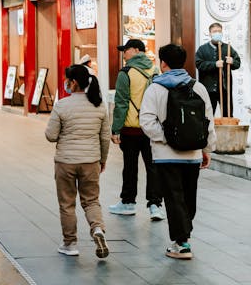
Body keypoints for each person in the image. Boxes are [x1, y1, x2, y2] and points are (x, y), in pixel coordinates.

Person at [140, 44, 216, 260]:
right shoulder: (198, 87)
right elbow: (208, 122)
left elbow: (146, 121)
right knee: (188, 197)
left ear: (163, 63)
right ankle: (184, 237)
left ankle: (181, 243)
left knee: (173, 197)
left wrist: (168, 139)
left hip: (166, 155)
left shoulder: (155, 88)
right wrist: (206, 148)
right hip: (192, 154)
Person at [45, 65, 110, 259]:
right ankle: (97, 228)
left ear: (73, 83)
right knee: (91, 201)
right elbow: (105, 137)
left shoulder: (61, 105)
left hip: (66, 161)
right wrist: (103, 160)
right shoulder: (99, 106)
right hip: (91, 161)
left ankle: (70, 243)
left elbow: (50, 135)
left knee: (67, 203)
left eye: (67, 80)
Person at [109, 38, 165, 219]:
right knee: (153, 167)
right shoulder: (156, 71)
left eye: (125, 50)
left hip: (131, 129)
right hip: (152, 129)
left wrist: (116, 129)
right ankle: (155, 205)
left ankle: (128, 203)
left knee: (130, 167)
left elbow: (121, 103)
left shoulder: (126, 73)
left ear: (135, 50)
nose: (123, 54)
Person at [195, 22, 241, 118]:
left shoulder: (227, 48)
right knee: (207, 117)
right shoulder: (202, 49)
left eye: (219, 31)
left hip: (224, 89)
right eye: (215, 31)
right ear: (210, 33)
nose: (217, 33)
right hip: (208, 89)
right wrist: (214, 64)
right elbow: (198, 64)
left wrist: (232, 61)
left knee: (227, 115)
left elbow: (237, 63)